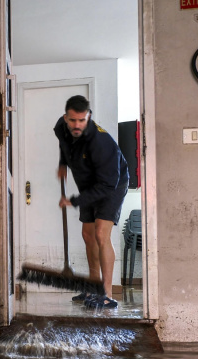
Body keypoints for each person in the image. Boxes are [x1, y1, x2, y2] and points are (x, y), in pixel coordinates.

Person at [55, 95, 129, 309]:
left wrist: (75, 201)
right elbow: (64, 142)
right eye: (72, 120)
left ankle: (106, 294)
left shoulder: (101, 142)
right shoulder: (62, 127)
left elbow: (108, 184)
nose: (76, 125)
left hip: (112, 184)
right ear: (65, 118)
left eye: (82, 120)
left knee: (99, 233)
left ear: (89, 117)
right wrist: (63, 163)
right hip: (89, 184)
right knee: (87, 235)